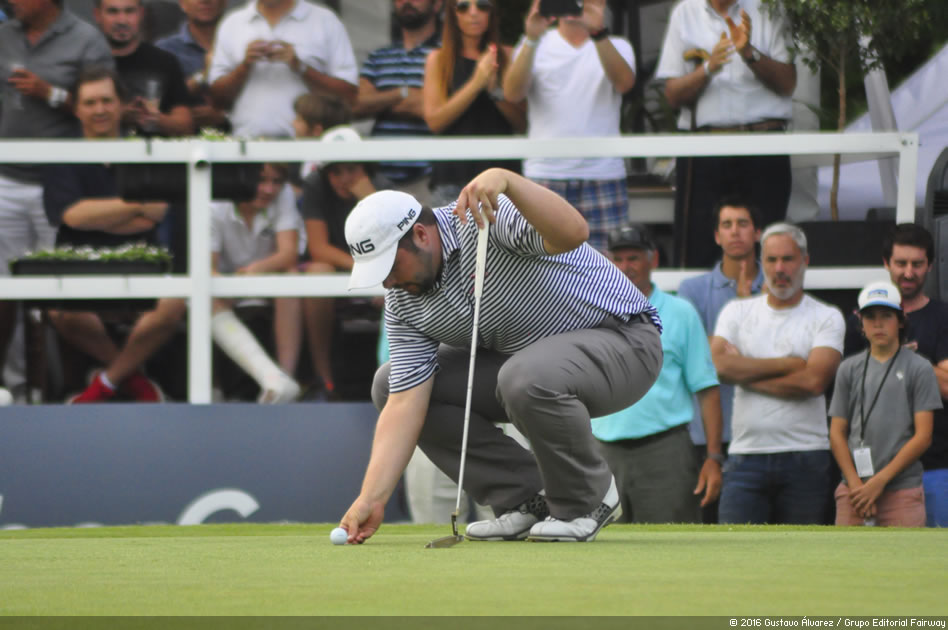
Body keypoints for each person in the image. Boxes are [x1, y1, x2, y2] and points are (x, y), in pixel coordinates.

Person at [338, 167, 663, 544]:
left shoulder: (485, 217)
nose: (389, 282)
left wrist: (507, 180)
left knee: (523, 375)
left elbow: (574, 233)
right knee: (389, 384)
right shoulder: (403, 301)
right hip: (529, 364)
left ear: (422, 235)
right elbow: (405, 403)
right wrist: (371, 498)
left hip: (624, 341)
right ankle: (525, 499)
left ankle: (587, 498)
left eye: (391, 266)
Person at [44, 67, 183, 403]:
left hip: (142, 266)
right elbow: (72, 216)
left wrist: (97, 216)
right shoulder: (61, 154)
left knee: (174, 303)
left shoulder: (147, 150)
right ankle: (132, 380)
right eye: (90, 102)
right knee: (59, 310)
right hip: (79, 266)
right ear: (77, 109)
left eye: (107, 100)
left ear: (121, 105)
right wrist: (135, 203)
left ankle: (104, 384)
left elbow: (155, 214)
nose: (100, 109)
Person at [0, 0, 114, 390]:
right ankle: (13, 387)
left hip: (61, 184)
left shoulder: (86, 39)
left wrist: (49, 94)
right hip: (6, 180)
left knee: (62, 294)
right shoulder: (4, 35)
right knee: (4, 290)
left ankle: (68, 389)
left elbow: (104, 109)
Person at [711, 222, 844, 524]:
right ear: (762, 262)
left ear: (805, 261)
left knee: (800, 552)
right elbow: (719, 366)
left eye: (788, 259)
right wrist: (789, 363)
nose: (779, 268)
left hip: (806, 456)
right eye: (771, 260)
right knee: (732, 549)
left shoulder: (826, 316)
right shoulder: (737, 312)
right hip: (745, 456)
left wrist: (744, 372)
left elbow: (813, 382)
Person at [592, 223, 723, 523]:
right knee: (601, 543)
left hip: (665, 451)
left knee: (672, 542)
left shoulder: (681, 312)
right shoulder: (589, 313)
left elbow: (707, 389)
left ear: (654, 260)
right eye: (617, 259)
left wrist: (714, 458)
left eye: (634, 258)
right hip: (602, 451)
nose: (625, 267)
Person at [654, 0, 796, 268]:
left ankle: (764, 297)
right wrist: (708, 68)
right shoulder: (685, 13)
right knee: (699, 247)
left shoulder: (769, 8)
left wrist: (749, 53)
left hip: (763, 144)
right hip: (704, 148)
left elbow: (788, 82)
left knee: (768, 242)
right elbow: (672, 95)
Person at [503, 0, 636, 254]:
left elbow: (624, 83)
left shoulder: (618, 45)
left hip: (603, 173)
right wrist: (531, 38)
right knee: (542, 265)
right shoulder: (535, 43)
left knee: (607, 265)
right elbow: (512, 93)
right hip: (545, 173)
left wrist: (597, 32)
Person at [842, 224, 948, 527]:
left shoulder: (943, 317)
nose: (909, 272)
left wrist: (904, 357)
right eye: (901, 263)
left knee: (935, 552)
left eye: (917, 264)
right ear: (886, 263)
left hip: (934, 467)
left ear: (930, 265)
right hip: (867, 473)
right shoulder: (858, 323)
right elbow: (846, 399)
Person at [676, 195, 764, 521]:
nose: (735, 231)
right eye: (727, 225)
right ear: (716, 235)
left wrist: (720, 344)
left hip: (763, 434)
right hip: (704, 434)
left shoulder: (777, 286)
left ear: (757, 232)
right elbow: (695, 356)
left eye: (743, 224)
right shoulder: (692, 290)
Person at [829, 281, 940, 527]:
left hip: (901, 491)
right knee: (846, 553)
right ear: (861, 323)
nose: (878, 324)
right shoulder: (848, 368)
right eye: (870, 317)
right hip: (854, 492)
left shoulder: (919, 367)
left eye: (886, 316)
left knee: (904, 553)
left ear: (900, 320)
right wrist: (856, 485)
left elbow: (923, 436)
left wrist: (879, 482)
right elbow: (837, 432)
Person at [299, 125, 387, 400]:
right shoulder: (314, 186)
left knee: (401, 282)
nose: (344, 178)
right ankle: (325, 382)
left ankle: (395, 383)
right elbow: (318, 249)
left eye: (351, 169)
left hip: (382, 273)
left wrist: (370, 199)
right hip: (348, 270)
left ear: (365, 168)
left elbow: (397, 245)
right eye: (335, 171)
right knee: (318, 274)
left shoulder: (382, 188)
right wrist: (367, 272)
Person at [210, 163, 301, 403]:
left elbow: (288, 254)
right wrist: (233, 284)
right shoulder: (213, 203)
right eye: (261, 180)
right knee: (206, 298)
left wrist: (254, 270)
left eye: (276, 181)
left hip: (268, 278)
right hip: (226, 284)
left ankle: (286, 379)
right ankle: (272, 380)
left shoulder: (284, 194)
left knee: (290, 279)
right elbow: (208, 269)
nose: (269, 189)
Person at [422, 0, 525, 206]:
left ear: (492, 12)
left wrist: (495, 92)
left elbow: (522, 123)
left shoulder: (508, 55)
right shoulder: (438, 59)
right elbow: (434, 121)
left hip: (501, 177)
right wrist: (476, 83)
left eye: (482, 6)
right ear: (453, 13)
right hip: (452, 176)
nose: (473, 13)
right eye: (463, 7)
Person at [207, 0, 358, 138]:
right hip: (247, 145)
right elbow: (217, 101)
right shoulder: (233, 23)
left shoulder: (325, 20)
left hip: (308, 147)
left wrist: (301, 67)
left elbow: (348, 96)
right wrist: (244, 67)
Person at [355, 0, 441, 205]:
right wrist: (402, 93)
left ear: (437, 4)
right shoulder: (378, 56)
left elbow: (433, 108)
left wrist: (380, 101)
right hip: (379, 176)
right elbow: (357, 105)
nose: (407, 2)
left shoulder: (445, 53)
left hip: (428, 176)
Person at [95, 0, 193, 137]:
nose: (122, 20)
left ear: (141, 13)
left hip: (154, 149)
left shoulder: (165, 62)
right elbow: (73, 117)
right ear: (97, 15)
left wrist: (153, 118)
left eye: (129, 11)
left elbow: (186, 125)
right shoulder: (87, 62)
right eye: (113, 12)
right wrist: (117, 114)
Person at [155, 0, 230, 132]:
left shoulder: (241, 45)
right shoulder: (164, 50)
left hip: (239, 138)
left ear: (225, 2)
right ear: (182, 3)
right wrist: (202, 76)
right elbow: (155, 103)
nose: (205, 1)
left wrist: (226, 116)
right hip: (180, 140)